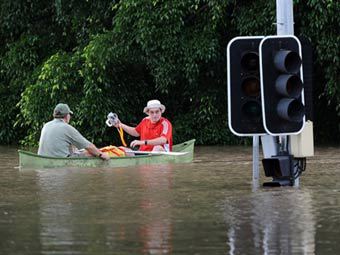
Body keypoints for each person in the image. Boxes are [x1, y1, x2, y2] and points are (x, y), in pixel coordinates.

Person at [38, 103, 110, 160]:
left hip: (42, 158)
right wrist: (101, 154)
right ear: (67, 116)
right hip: (60, 160)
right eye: (69, 114)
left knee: (77, 150)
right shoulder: (67, 128)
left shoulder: (46, 125)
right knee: (91, 152)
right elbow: (88, 146)